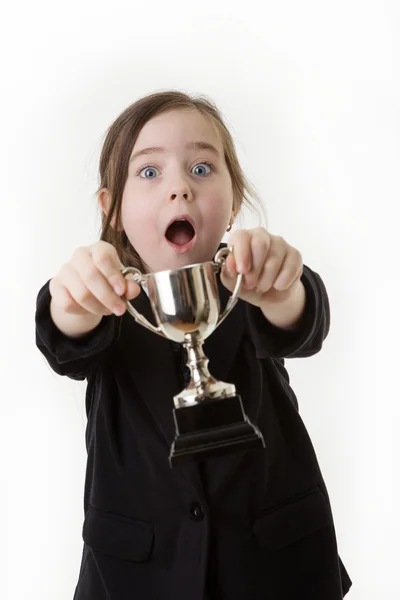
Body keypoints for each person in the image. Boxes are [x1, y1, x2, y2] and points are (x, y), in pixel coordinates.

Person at [35, 90, 352, 600]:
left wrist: (284, 287)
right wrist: (70, 298)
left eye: (202, 168)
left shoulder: (251, 280)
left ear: (233, 204)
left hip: (277, 570)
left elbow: (304, 323)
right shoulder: (103, 295)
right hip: (136, 577)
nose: (179, 188)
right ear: (111, 210)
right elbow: (61, 339)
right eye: (149, 172)